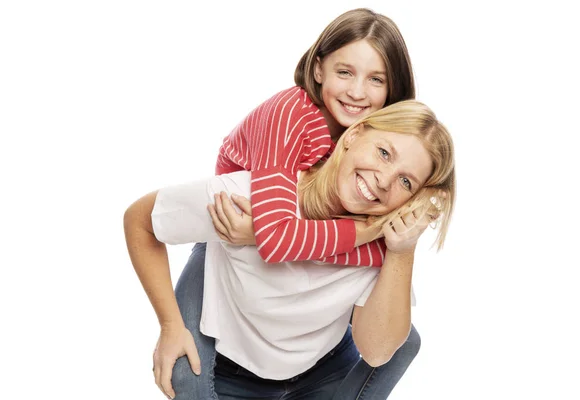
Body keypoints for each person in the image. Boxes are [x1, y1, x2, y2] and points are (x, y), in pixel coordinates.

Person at [159, 9, 422, 399]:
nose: (357, 92)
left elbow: (424, 193)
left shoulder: (383, 142)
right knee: (187, 378)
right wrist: (370, 231)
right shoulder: (290, 114)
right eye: (345, 72)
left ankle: (321, 364)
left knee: (401, 335)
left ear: (392, 89)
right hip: (229, 232)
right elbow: (276, 239)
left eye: (376, 79)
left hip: (304, 242)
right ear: (318, 70)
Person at [124, 100, 456, 399]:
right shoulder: (248, 200)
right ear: (354, 135)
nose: (384, 180)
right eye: (384, 153)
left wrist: (403, 250)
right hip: (230, 376)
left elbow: (378, 350)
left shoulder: (383, 244)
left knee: (402, 337)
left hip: (323, 374)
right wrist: (170, 325)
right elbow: (140, 221)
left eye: (406, 182)